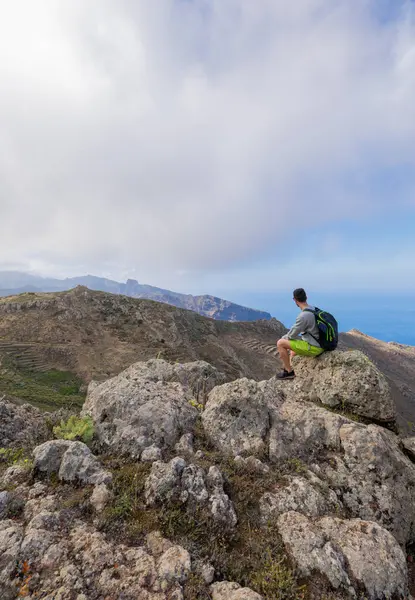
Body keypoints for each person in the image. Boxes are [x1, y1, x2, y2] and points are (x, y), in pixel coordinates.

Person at [276, 288, 324, 380]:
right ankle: (289, 367)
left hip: (315, 348)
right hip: (321, 344)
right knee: (293, 351)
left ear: (295, 300)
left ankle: (289, 372)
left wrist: (283, 338)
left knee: (280, 343)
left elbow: (291, 335)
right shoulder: (314, 309)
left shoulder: (303, 316)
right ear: (306, 297)